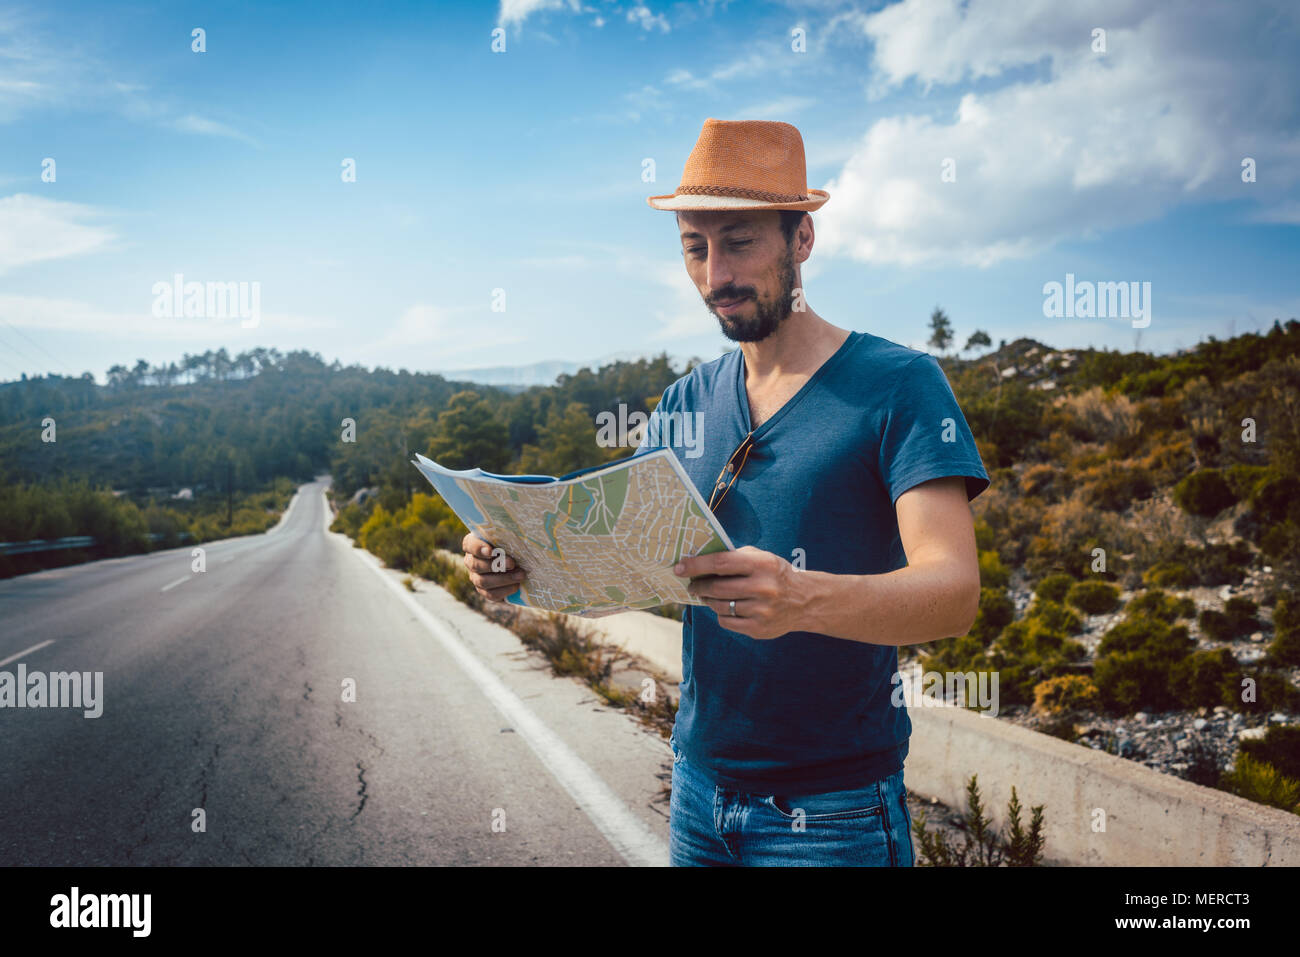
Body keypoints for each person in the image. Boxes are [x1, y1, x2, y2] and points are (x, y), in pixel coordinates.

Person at [463, 118, 990, 866]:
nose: (716, 276)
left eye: (739, 241)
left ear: (801, 239)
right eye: (694, 246)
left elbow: (954, 592)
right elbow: (620, 563)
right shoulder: (684, 402)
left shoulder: (901, 387)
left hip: (834, 816)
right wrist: (515, 568)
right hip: (698, 794)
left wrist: (802, 596)